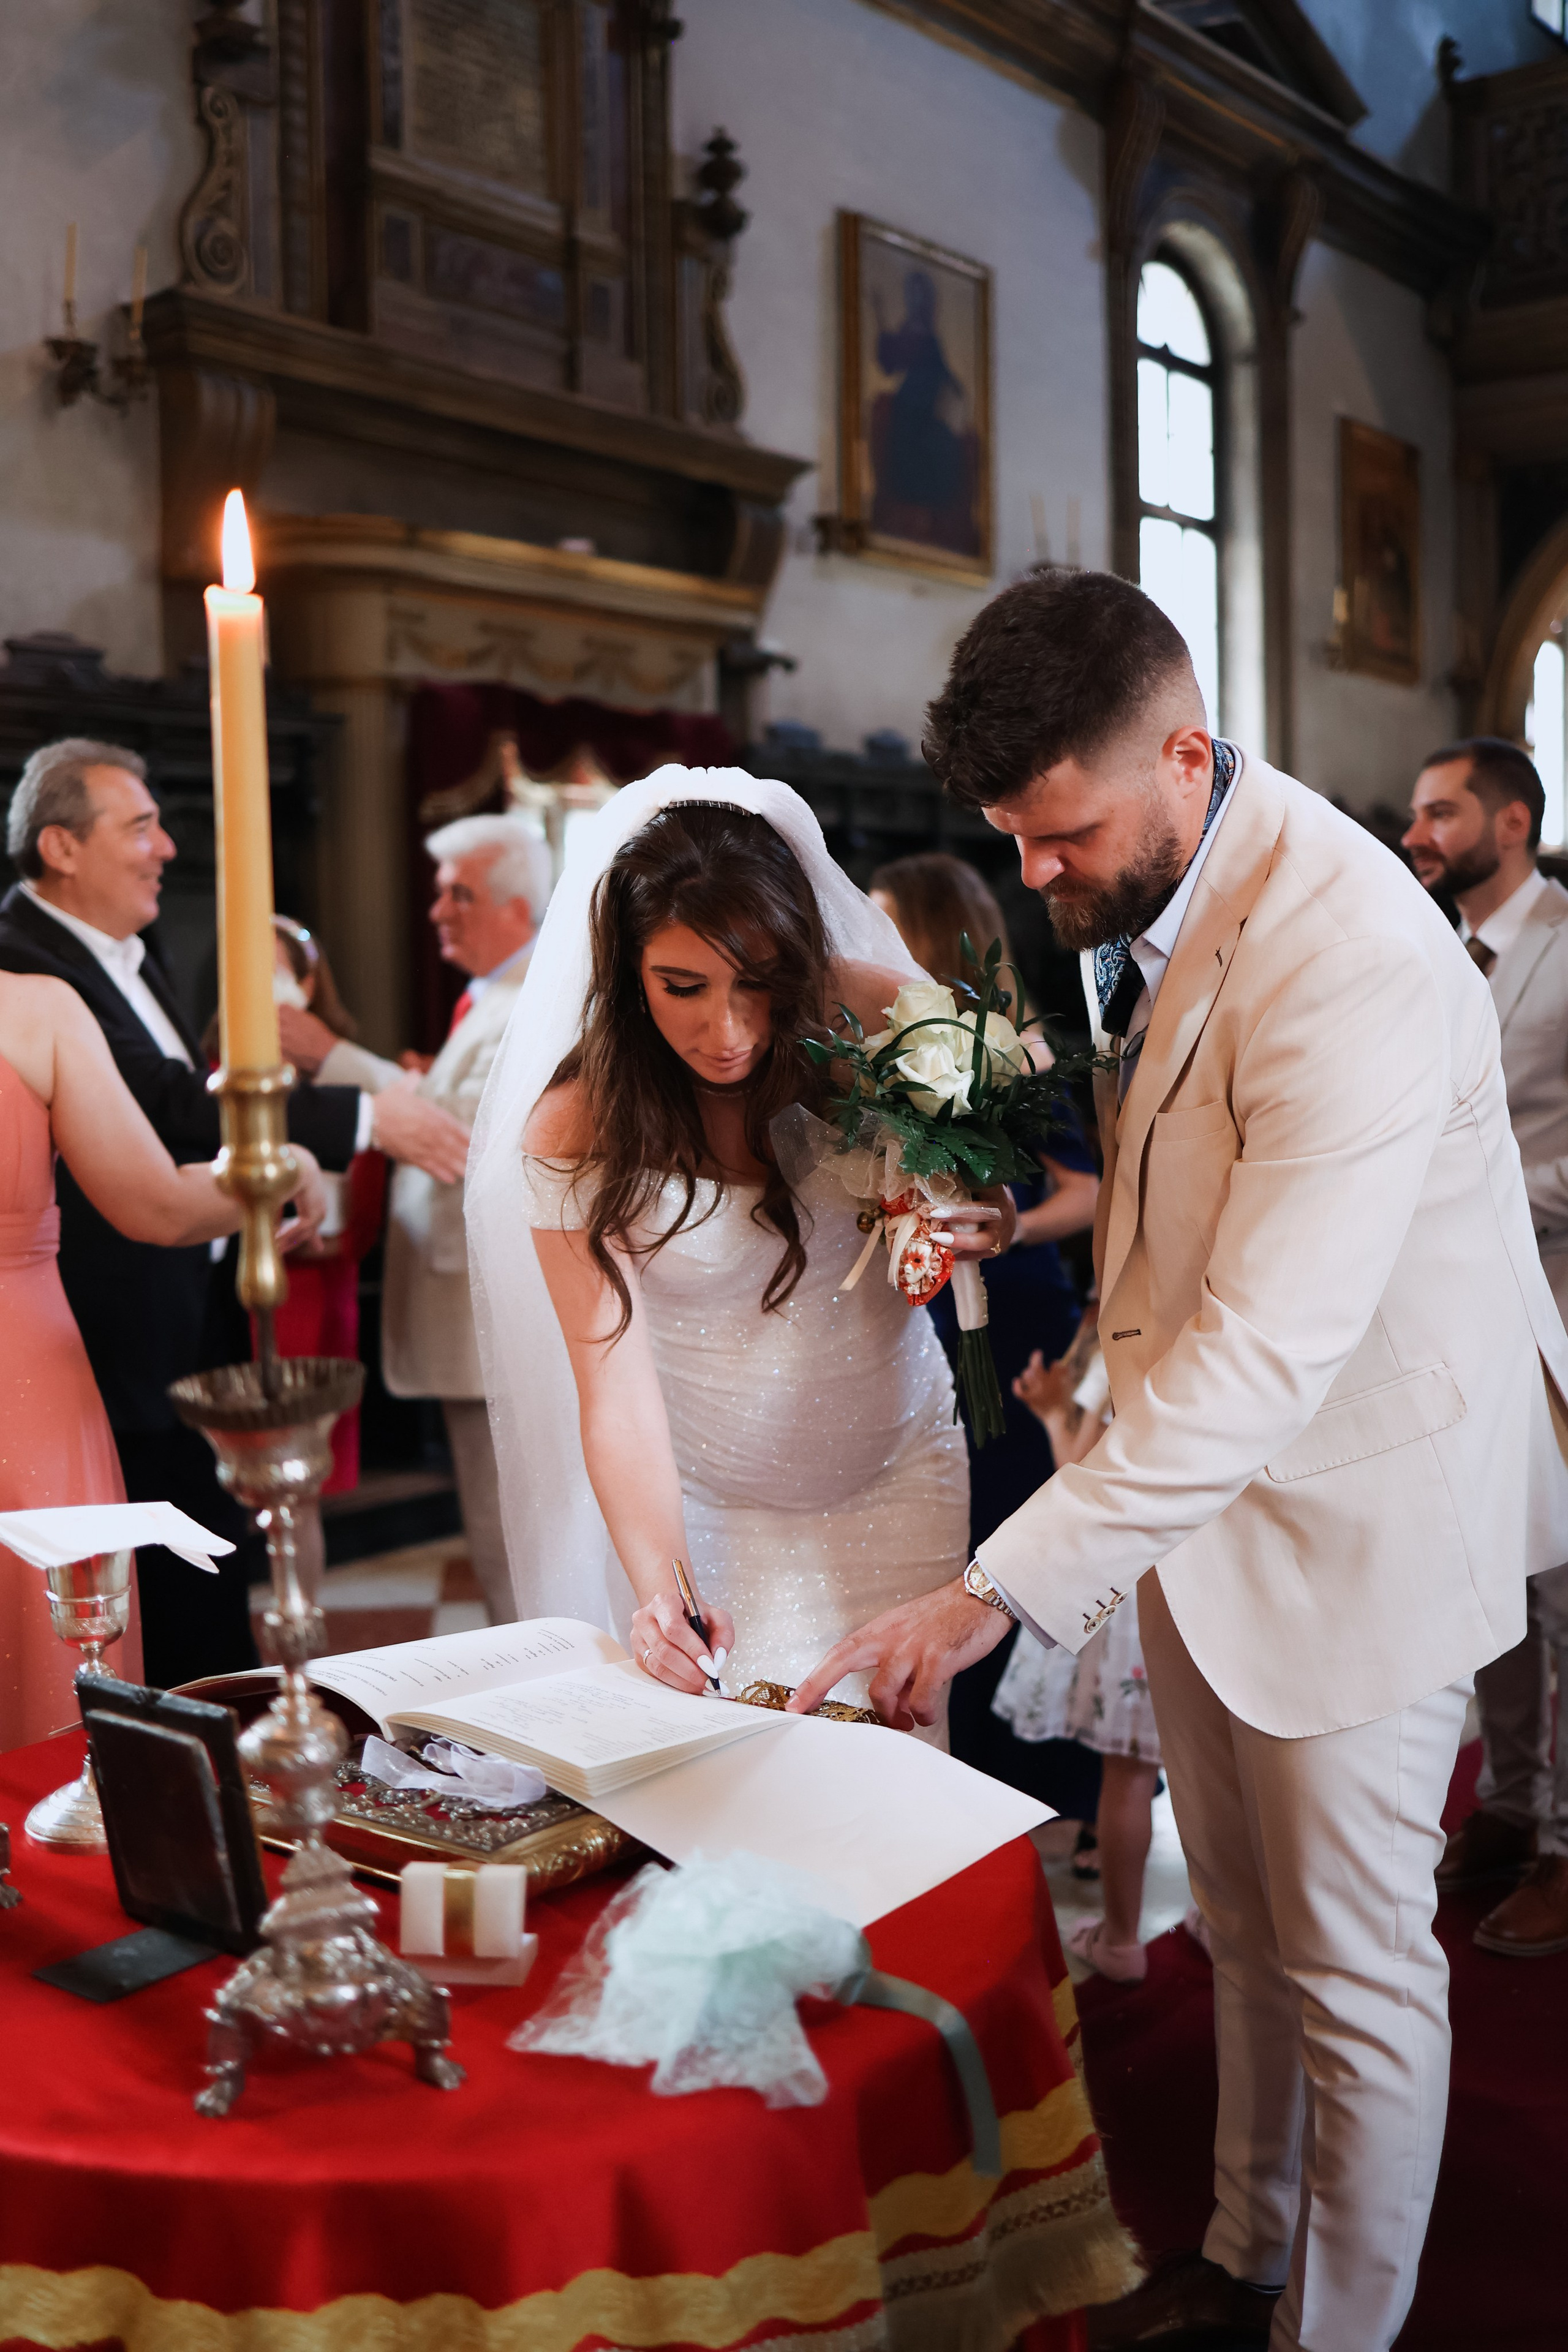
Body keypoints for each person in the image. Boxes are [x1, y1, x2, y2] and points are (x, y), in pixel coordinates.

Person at [789, 568, 1568, 2352]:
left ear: (1185, 753)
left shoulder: (1348, 947)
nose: (1034, 875)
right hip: (1210, 1504)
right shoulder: (1178, 865)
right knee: (1233, 1916)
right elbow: (1179, 1212)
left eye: (1056, 836)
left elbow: (1272, 1349)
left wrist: (996, 1588)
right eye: (1009, 835)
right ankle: (1240, 2249)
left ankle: (1335, 2330)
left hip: (1365, 1503)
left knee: (1360, 1967)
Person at [464, 766, 1011, 1717]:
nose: (728, 1031)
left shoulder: (880, 1025)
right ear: (629, 974)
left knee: (896, 1786)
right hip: (704, 1504)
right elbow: (614, 1391)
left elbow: (983, 1190)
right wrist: (660, 1589)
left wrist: (984, 1219)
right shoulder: (576, 1125)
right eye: (684, 987)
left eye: (759, 984)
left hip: (900, 1477)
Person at [0, 738, 470, 1688]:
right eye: (139, 826)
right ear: (60, 847)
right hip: (99, 1337)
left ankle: (201, 1770)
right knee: (142, 1613)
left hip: (181, 1314)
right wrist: (355, 1120)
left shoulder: (122, 952)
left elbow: (181, 1103)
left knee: (200, 1591)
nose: (166, 848)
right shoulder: (31, 971)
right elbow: (170, 1116)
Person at [0, 969, 323, 1746]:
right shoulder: (35, 1010)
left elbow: (158, 1205)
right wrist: (284, 1168)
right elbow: (157, 1204)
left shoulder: (41, 1011)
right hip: (25, 1386)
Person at [870, 850, 1101, 1820]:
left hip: (1015, 1313)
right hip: (925, 1308)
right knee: (951, 1529)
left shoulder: (1015, 1053)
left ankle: (1055, 1777)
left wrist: (1003, 1226)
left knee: (1012, 1529)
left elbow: (1088, 1192)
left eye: (886, 923)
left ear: (931, 932)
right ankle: (975, 1767)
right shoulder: (881, 1054)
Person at [281, 813, 550, 1623]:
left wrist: (333, 1058)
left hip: (489, 1316)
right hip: (462, 1307)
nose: (437, 912)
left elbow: (465, 1140)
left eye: (457, 895)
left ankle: (534, 1708)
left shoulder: (531, 998)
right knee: (493, 1531)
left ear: (517, 908)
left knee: (508, 1542)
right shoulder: (493, 992)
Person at [1403, 737, 1568, 1956]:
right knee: (1492, 1578)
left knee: (1564, 1581)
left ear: (1508, 823)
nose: (1417, 833)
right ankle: (1508, 1807)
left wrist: (1482, 1196)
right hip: (1455, 1314)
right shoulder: (1421, 954)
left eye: (1440, 812)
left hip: (1558, 1296)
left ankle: (1565, 1846)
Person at [1000, 1321, 1166, 1983]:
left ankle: (1122, 1940)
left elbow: (1078, 1478)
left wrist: (1048, 1415)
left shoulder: (1114, 1343)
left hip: (1133, 1582)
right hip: (1204, 1570)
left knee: (1127, 1774)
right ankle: (1223, 1920)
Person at [265, 918, 388, 1494]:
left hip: (317, 1283)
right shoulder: (205, 1075)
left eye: (272, 972)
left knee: (300, 1472)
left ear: (306, 985)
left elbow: (365, 1202)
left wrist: (329, 1239)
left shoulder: (341, 1073)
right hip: (235, 1291)